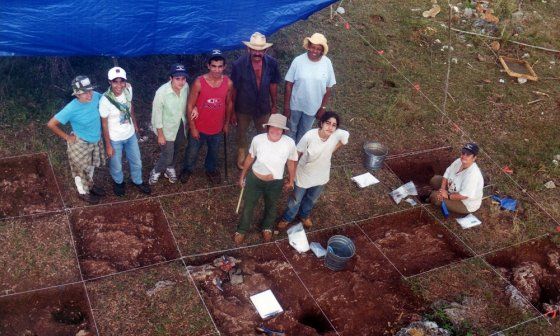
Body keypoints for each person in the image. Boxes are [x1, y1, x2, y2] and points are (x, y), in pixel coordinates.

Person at [277, 111, 349, 230]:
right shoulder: (310, 136)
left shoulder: (337, 134)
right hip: (304, 174)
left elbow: (345, 137)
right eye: (327, 123)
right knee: (295, 200)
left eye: (334, 125)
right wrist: (291, 177)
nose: (330, 127)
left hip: (321, 175)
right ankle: (287, 218)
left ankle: (304, 216)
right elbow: (296, 155)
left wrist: (331, 150)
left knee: (312, 199)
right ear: (321, 123)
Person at [236, 114, 298, 245]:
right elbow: (250, 158)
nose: (275, 131)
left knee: (271, 205)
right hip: (255, 180)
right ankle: (242, 230)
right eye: (273, 128)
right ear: (268, 127)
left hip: (275, 182)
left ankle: (267, 227)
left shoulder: (289, 143)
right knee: (248, 205)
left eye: (279, 129)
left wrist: (292, 180)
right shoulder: (258, 139)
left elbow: (291, 163)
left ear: (283, 131)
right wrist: (242, 176)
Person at [47, 76, 106, 204]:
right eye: (84, 92)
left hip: (95, 140)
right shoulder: (71, 108)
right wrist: (67, 137)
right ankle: (82, 192)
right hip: (80, 143)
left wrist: (125, 88)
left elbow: (109, 98)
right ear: (77, 94)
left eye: (90, 90)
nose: (89, 94)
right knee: (80, 169)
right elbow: (51, 124)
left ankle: (90, 185)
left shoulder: (96, 96)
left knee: (90, 166)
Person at [180, 50, 233, 185]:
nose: (217, 69)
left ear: (224, 67)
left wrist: (226, 123)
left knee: (213, 152)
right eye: (214, 66)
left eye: (220, 66)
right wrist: (192, 127)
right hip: (199, 126)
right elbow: (190, 105)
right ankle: (187, 169)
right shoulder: (199, 82)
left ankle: (210, 169)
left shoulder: (228, 83)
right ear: (208, 66)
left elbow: (229, 103)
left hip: (216, 127)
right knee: (192, 151)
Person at [231, 32, 281, 169]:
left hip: (263, 105)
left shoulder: (272, 64)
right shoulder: (238, 65)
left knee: (264, 132)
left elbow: (273, 84)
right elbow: (233, 89)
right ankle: (241, 152)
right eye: (254, 50)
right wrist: (233, 111)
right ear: (248, 49)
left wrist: (274, 104)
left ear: (265, 50)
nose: (257, 53)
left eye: (260, 50)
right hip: (243, 106)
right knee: (241, 132)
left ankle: (262, 154)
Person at [99, 67, 151, 197]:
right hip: (115, 138)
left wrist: (135, 125)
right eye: (115, 81)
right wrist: (108, 145)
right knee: (116, 165)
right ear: (109, 82)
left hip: (130, 135)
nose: (119, 85)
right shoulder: (105, 101)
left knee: (137, 161)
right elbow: (104, 124)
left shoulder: (128, 90)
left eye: (121, 81)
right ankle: (118, 182)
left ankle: (137, 181)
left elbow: (130, 107)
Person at [284, 33, 336, 143]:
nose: (315, 51)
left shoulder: (327, 63)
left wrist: (322, 108)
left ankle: (298, 155)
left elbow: (328, 88)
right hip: (296, 104)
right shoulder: (298, 60)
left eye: (318, 49)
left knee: (304, 132)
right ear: (308, 46)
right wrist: (287, 106)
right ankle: (290, 155)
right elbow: (288, 84)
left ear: (322, 51)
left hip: (313, 107)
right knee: (291, 129)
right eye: (313, 47)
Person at [149, 64, 189, 185]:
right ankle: (156, 171)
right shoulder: (161, 92)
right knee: (167, 154)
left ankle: (170, 168)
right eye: (177, 78)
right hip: (166, 129)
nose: (181, 82)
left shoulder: (186, 87)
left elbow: (190, 101)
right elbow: (156, 115)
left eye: (183, 78)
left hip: (181, 124)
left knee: (177, 148)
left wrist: (195, 108)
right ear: (171, 78)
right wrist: (160, 134)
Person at [428, 143, 484, 214]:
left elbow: (464, 196)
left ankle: (435, 198)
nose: (464, 156)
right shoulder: (458, 161)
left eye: (468, 155)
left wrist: (447, 196)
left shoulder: (473, 175)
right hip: (453, 188)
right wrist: (442, 189)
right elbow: (447, 173)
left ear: (474, 158)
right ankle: (440, 195)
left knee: (435, 197)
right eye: (463, 153)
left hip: (465, 203)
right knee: (435, 180)